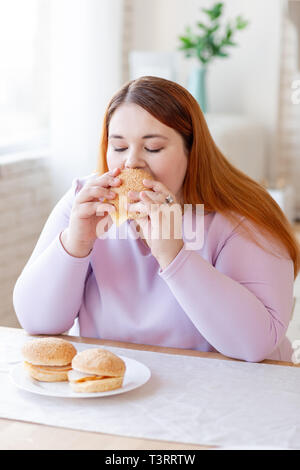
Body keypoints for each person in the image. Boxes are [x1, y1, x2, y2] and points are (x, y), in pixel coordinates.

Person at [13, 76, 300, 362]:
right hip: (118, 387)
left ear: (192, 151)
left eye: (153, 148)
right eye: (119, 147)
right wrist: (74, 244)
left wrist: (174, 255)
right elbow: (37, 322)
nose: (131, 163)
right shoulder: (85, 203)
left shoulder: (242, 217)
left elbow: (255, 344)